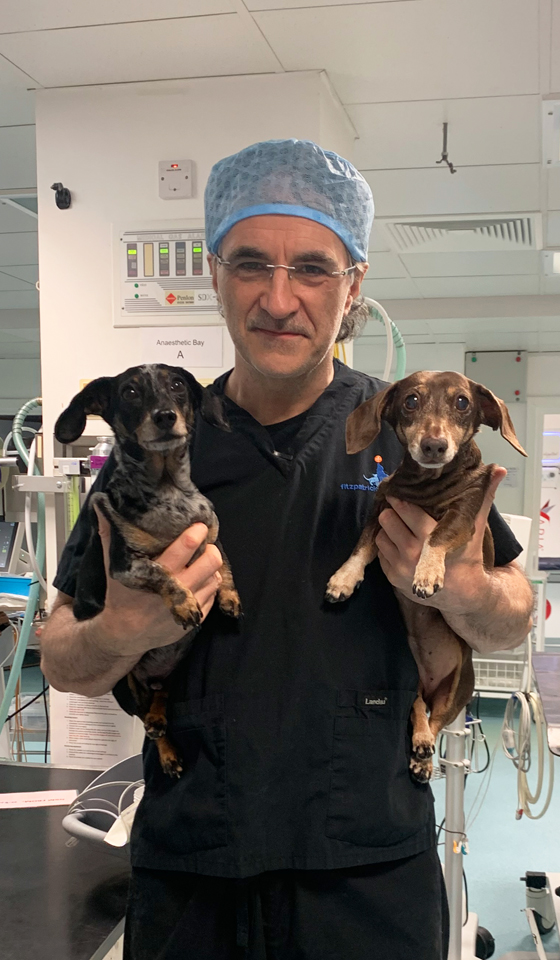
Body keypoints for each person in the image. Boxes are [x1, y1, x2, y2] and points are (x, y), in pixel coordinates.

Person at [41, 139, 533, 960]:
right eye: (249, 265)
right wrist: (120, 629)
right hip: (195, 863)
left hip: (368, 869)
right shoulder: (155, 444)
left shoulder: (403, 426)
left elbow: (513, 615)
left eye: (312, 268)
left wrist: (468, 593)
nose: (279, 298)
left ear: (355, 288)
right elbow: (61, 656)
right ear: (214, 274)